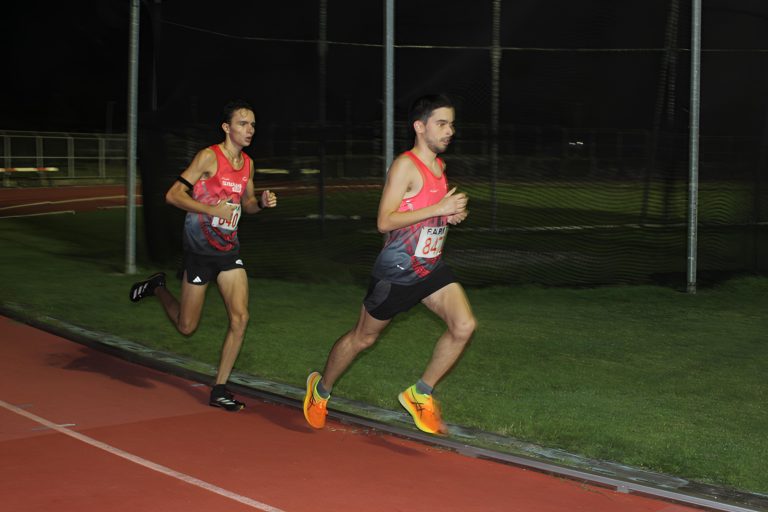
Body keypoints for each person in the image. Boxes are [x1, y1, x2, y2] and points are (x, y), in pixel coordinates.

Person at [303, 94, 475, 435]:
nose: (449, 130)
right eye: (442, 123)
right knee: (362, 339)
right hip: (396, 274)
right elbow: (384, 221)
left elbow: (426, 217)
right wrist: (437, 209)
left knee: (464, 325)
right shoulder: (404, 166)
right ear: (419, 126)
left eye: (451, 124)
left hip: (430, 267)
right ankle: (320, 391)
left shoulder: (439, 167)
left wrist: (451, 215)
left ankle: (419, 393)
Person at [129, 100, 277, 412]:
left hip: (228, 252)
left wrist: (260, 202)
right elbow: (173, 195)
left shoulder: (247, 164)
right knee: (187, 326)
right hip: (199, 252)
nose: (249, 129)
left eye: (252, 124)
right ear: (227, 127)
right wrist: (211, 209)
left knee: (241, 318)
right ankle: (157, 287)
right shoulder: (209, 157)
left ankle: (219, 388)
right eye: (242, 124)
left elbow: (246, 205)